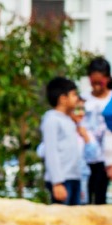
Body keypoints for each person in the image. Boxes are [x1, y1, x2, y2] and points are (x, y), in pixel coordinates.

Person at [42, 76, 84, 206]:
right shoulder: (52, 120)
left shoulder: (69, 120)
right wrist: (57, 182)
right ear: (63, 98)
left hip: (73, 178)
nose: (76, 98)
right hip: (61, 180)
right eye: (74, 95)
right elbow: (51, 152)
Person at [83, 57, 112, 204]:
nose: (96, 86)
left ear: (108, 79)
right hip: (90, 156)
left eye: (99, 82)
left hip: (111, 155)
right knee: (92, 195)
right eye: (93, 82)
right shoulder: (83, 99)